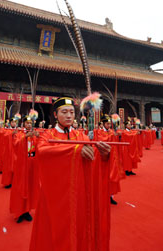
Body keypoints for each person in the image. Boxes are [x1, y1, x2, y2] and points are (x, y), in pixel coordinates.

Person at [30, 97, 111, 251]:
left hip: (77, 195)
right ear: (55, 114)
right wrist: (74, 151)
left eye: (72, 112)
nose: (69, 115)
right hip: (54, 196)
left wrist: (104, 155)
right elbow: (42, 152)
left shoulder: (81, 136)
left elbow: (92, 160)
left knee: (77, 230)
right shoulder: (47, 136)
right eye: (64, 112)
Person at [10, 115, 39, 223]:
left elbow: (39, 146)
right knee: (21, 185)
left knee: (30, 185)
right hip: (22, 164)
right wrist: (25, 137)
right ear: (23, 124)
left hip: (32, 163)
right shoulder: (20, 134)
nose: (29, 125)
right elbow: (16, 145)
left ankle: (27, 210)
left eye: (30, 123)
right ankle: (20, 211)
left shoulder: (34, 135)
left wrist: (38, 137)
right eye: (27, 123)